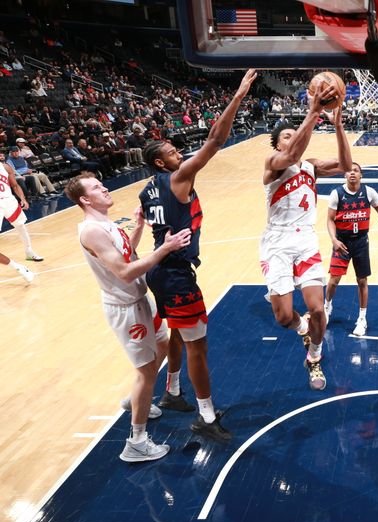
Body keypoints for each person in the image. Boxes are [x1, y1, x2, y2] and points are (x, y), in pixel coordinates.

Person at [139, 69, 258, 441]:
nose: (181, 154)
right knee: (198, 347)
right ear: (161, 163)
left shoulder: (146, 190)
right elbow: (214, 140)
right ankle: (206, 417)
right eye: (174, 153)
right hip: (175, 273)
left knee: (176, 330)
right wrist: (238, 96)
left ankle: (172, 392)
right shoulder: (177, 179)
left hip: (158, 271)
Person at [64, 172, 193, 462]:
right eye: (97, 187)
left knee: (161, 347)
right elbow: (124, 272)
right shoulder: (91, 230)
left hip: (140, 300)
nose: (105, 187)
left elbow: (128, 254)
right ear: (85, 199)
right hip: (126, 310)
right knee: (146, 372)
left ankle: (137, 398)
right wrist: (165, 249)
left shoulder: (105, 223)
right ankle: (136, 442)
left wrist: (137, 226)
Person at [261, 82, 351, 391]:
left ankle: (314, 356)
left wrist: (338, 126)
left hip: (306, 240)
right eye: (285, 136)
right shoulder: (273, 165)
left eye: (292, 134)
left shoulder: (310, 166)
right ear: (277, 146)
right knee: (284, 316)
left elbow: (346, 165)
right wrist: (313, 113)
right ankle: (302, 330)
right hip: (276, 242)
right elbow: (293, 153)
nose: (291, 139)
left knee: (317, 308)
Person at [324, 162, 378, 336]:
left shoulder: (369, 192)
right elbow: (329, 219)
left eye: (356, 171)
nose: (352, 173)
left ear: (361, 175)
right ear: (345, 175)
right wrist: (334, 240)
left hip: (360, 242)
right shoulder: (337, 194)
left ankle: (362, 319)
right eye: (349, 171)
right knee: (334, 280)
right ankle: (327, 306)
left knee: (362, 281)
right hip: (341, 243)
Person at [1, 154, 43, 262]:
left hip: (9, 200)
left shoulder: (5, 167)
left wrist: (23, 199)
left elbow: (14, 185)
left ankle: (29, 252)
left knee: (21, 226)